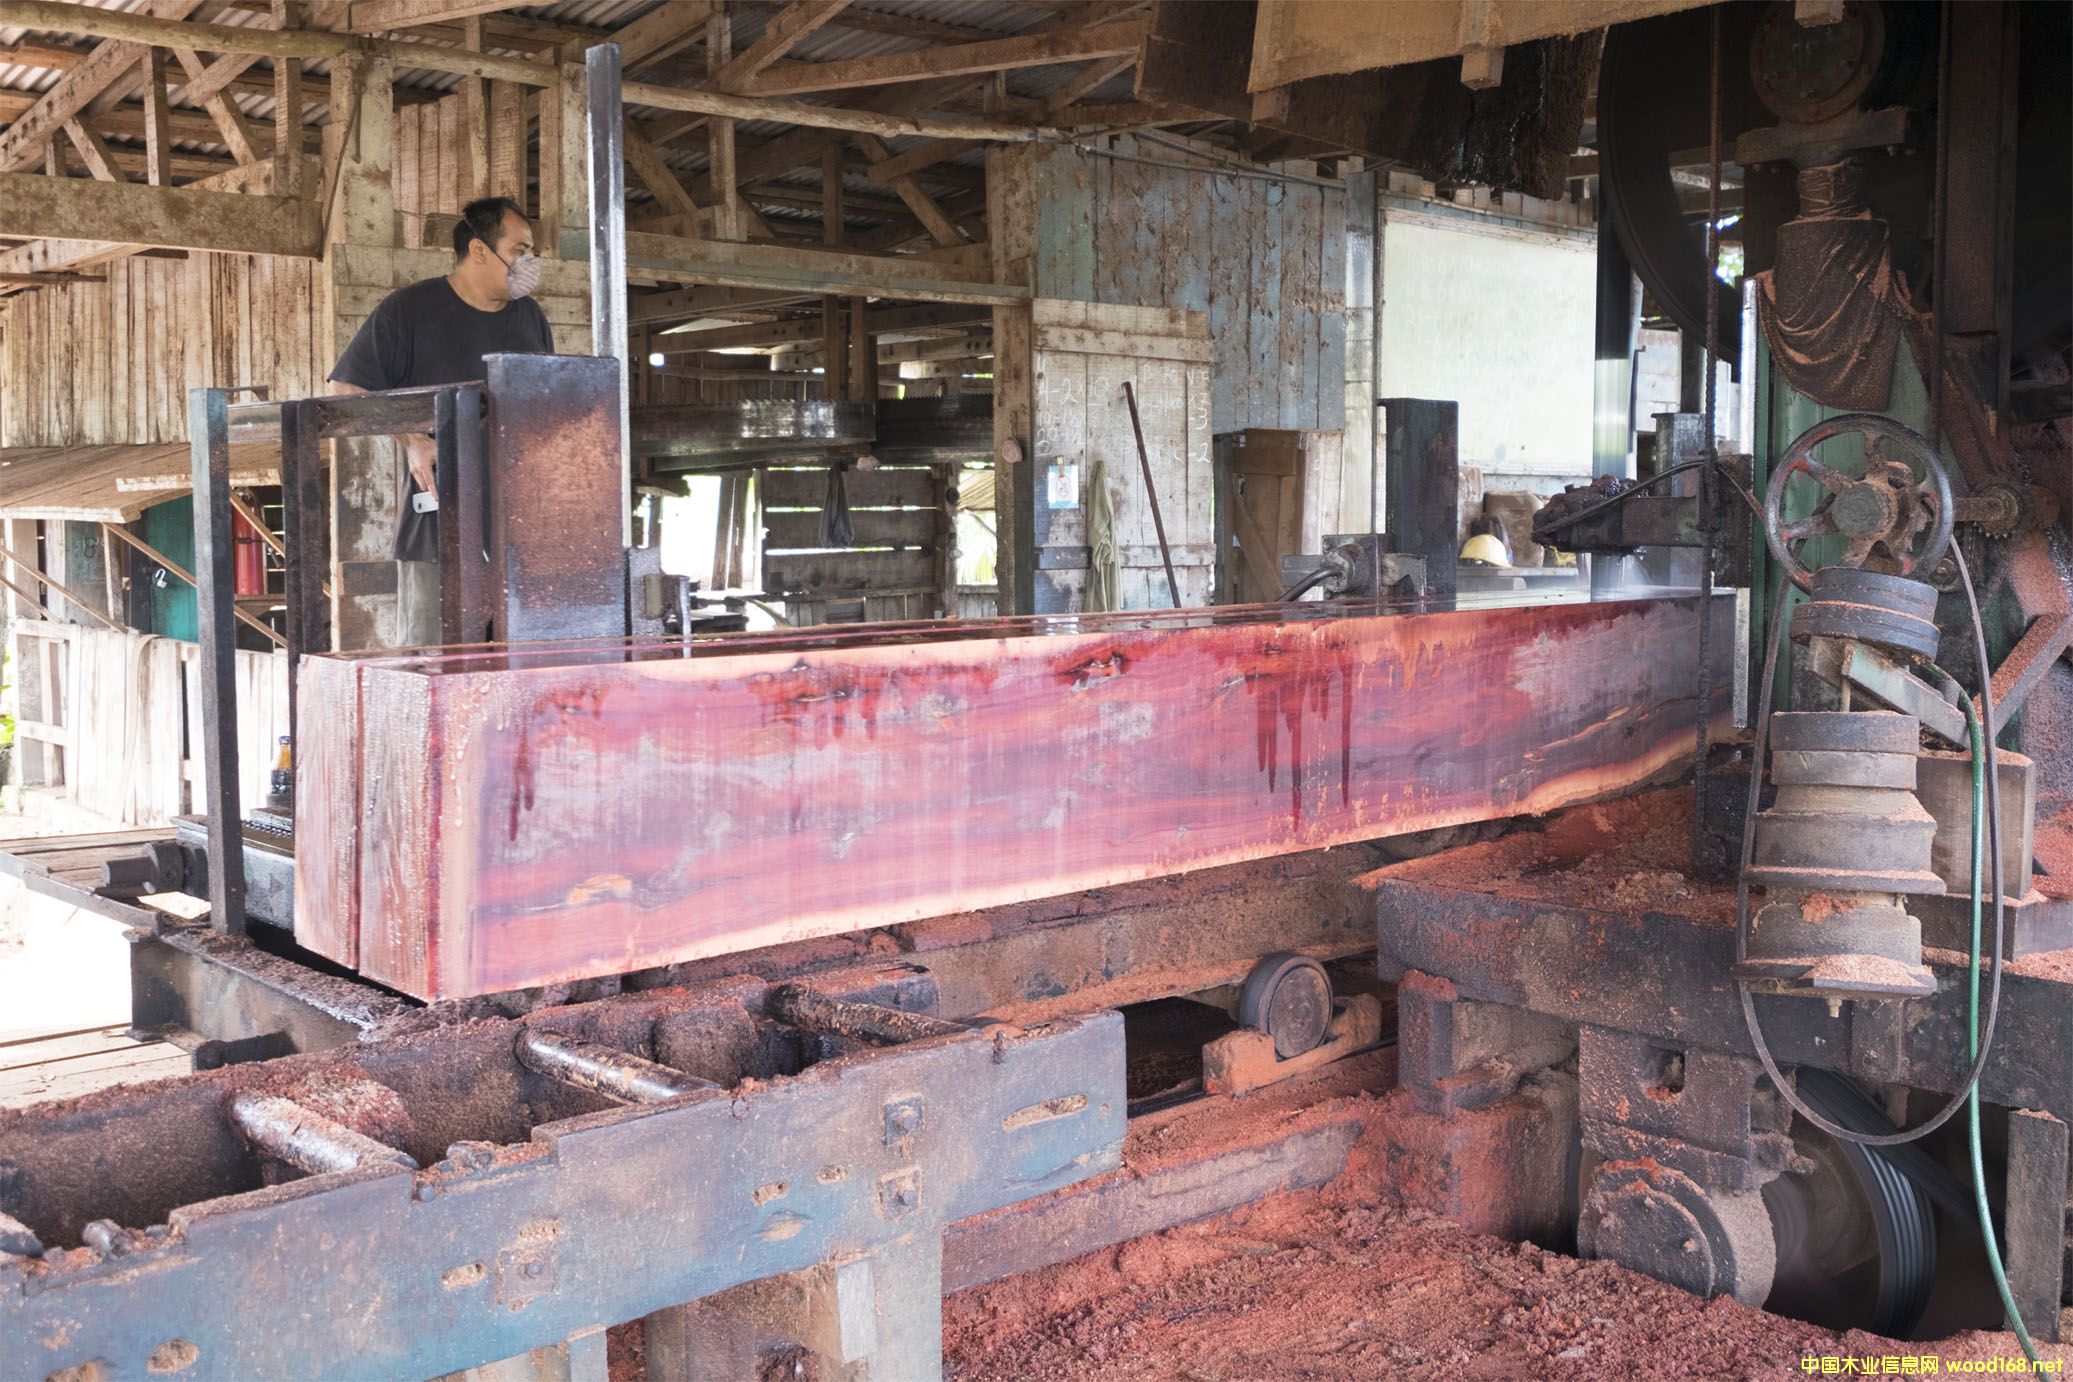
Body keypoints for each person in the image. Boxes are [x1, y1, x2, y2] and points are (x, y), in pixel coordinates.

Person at [328, 196, 552, 646]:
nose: (528, 263)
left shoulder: (530, 317)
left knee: (520, 657)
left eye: (530, 252)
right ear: (479, 250)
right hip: (437, 525)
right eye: (519, 250)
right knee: (432, 654)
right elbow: (347, 388)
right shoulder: (408, 311)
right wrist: (413, 439)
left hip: (518, 532)